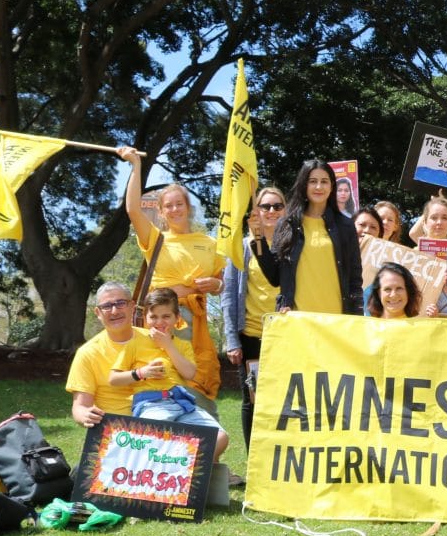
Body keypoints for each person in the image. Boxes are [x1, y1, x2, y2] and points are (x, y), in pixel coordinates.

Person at [117, 147, 225, 413]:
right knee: (164, 371)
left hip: (196, 322)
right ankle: (163, 421)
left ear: (188, 208)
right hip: (163, 318)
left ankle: (201, 424)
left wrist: (217, 285)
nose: (175, 209)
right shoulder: (156, 239)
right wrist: (135, 166)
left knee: (195, 372)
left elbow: (223, 283)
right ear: (161, 212)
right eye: (169, 206)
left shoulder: (210, 243)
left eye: (179, 204)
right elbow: (132, 209)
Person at [110, 288, 229, 461]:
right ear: (145, 318)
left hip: (183, 403)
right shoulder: (135, 343)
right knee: (155, 441)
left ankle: (186, 472)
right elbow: (114, 379)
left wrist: (168, 346)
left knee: (219, 437)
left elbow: (189, 373)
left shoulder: (182, 345)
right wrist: (141, 373)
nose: (159, 322)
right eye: (154, 317)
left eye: (166, 316)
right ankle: (169, 473)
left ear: (176, 317)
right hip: (152, 404)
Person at [254, 159, 362, 315]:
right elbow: (274, 277)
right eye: (313, 181)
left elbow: (355, 278)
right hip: (297, 321)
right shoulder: (286, 224)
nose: (319, 187)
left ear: (332, 186)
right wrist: (258, 237)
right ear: (304, 185)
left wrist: (357, 316)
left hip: (337, 321)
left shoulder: (345, 226)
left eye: (324, 181)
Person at [222, 185, 285, 449]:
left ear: (286, 210)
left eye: (277, 206)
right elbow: (227, 294)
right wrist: (232, 340)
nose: (271, 211)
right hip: (251, 338)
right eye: (265, 206)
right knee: (253, 400)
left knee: (285, 400)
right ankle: (253, 462)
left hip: (285, 338)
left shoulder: (292, 244)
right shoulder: (244, 246)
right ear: (256, 211)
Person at [67, 282, 151, 428]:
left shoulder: (155, 340)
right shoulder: (87, 353)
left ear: (132, 306)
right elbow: (80, 406)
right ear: (98, 313)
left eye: (120, 303)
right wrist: (84, 415)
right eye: (106, 306)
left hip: (159, 425)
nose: (114, 311)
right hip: (114, 430)